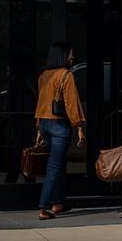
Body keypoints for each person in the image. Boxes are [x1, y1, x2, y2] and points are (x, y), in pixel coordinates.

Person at [34, 42, 85, 220]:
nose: (73, 58)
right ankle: (43, 207)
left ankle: (57, 203)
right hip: (59, 125)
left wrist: (38, 127)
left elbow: (40, 102)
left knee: (58, 164)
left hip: (45, 123)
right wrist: (78, 126)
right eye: (71, 54)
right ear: (62, 56)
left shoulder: (44, 76)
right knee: (54, 166)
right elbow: (72, 103)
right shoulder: (66, 75)